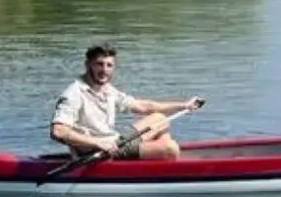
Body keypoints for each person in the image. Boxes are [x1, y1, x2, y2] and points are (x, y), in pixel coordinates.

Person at [49, 43, 203, 161]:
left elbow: (144, 106)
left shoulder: (107, 89)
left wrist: (184, 105)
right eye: (99, 64)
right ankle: (164, 156)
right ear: (88, 65)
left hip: (114, 141)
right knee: (171, 147)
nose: (104, 70)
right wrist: (97, 143)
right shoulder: (74, 93)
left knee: (160, 119)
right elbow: (58, 131)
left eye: (109, 65)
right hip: (98, 152)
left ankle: (156, 160)